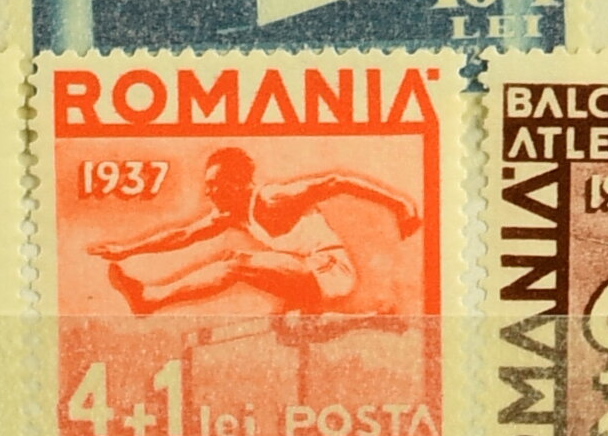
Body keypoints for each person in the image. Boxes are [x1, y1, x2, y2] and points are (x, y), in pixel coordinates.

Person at [92, 137, 413, 328]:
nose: (209, 194)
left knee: (236, 262)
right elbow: (183, 235)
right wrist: (127, 250)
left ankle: (152, 298)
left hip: (330, 269)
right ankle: (373, 320)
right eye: (207, 187)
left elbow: (336, 182)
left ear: (237, 183)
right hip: (301, 273)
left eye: (215, 186)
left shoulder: (274, 198)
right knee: (291, 332)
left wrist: (400, 205)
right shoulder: (232, 215)